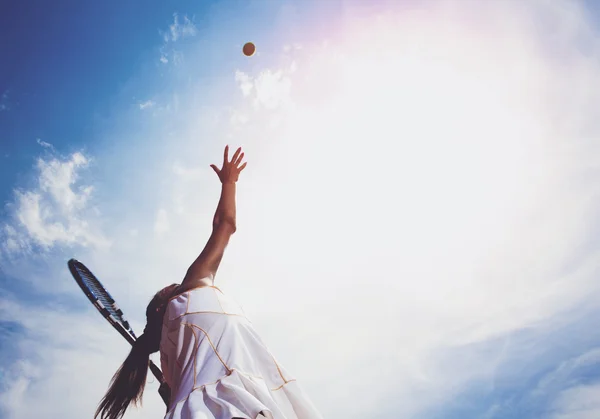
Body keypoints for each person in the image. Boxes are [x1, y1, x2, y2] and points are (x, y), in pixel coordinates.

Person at [94, 146, 323, 419]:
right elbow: (224, 224)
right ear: (163, 305)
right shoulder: (189, 291)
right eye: (168, 286)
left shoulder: (171, 371)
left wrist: (171, 397)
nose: (174, 283)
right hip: (241, 403)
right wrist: (229, 182)